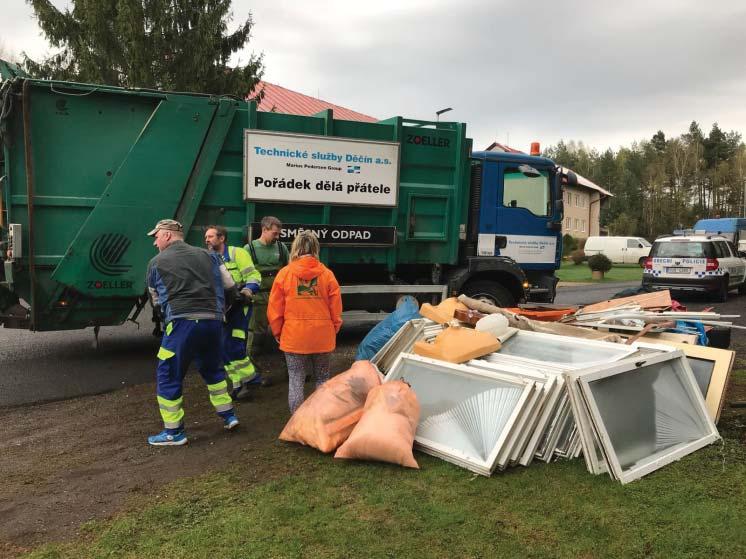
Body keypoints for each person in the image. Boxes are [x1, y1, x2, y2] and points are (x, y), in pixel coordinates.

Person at [145, 219, 239, 446]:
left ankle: (173, 432)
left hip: (181, 322)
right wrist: (219, 311)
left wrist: (169, 318)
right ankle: (229, 416)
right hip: (213, 322)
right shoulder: (211, 255)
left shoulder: (156, 263)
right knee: (213, 369)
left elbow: (156, 302)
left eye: (156, 237)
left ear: (167, 235)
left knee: (168, 373)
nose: (155, 243)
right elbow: (231, 288)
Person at [267, 230, 343, 413]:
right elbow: (336, 309)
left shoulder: (284, 274)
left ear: (295, 249)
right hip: (322, 336)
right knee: (322, 379)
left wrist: (278, 332)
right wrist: (333, 329)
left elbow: (275, 310)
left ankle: (297, 424)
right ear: (316, 248)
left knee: (296, 380)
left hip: (294, 337)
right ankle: (319, 422)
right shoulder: (327, 274)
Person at [204, 225, 261, 400]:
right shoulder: (207, 257)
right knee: (222, 348)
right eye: (206, 237)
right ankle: (238, 384)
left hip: (239, 308)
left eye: (211, 236)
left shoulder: (238, 254)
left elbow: (253, 276)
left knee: (234, 345)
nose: (207, 240)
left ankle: (251, 380)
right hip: (220, 310)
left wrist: (247, 292)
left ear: (222, 238)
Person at [245, 216, 290, 385]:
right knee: (256, 337)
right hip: (258, 300)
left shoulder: (281, 247)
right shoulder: (249, 249)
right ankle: (254, 375)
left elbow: (288, 271)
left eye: (278, 233)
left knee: (286, 335)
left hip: (278, 298)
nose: (277, 237)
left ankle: (292, 371)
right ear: (264, 229)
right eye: (274, 233)